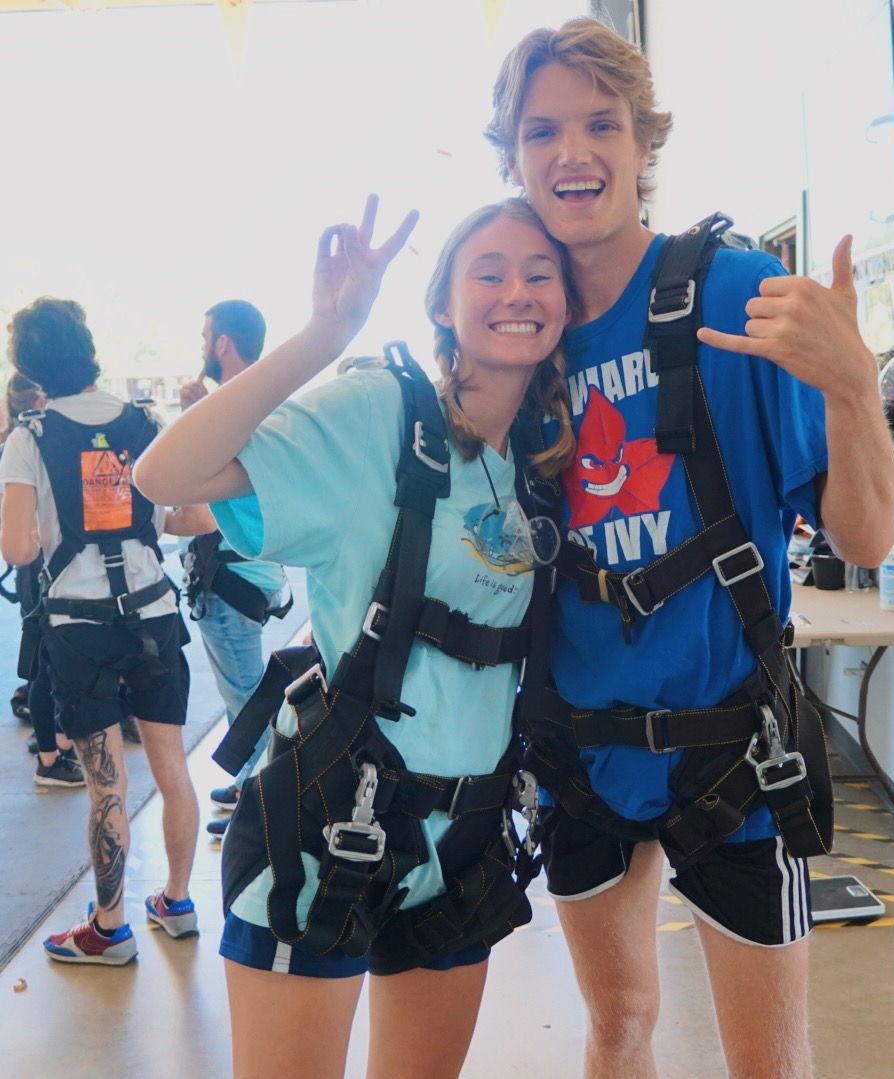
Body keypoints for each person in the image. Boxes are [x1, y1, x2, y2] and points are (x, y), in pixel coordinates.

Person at [485, 18, 894, 1078]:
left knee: (768, 1058)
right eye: (541, 130)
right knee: (618, 1021)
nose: (572, 153)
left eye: (600, 124)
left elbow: (864, 534)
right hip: (579, 750)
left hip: (737, 754)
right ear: (513, 155)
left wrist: (854, 388)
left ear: (643, 141)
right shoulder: (515, 324)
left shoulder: (733, 294)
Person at [134, 195, 576, 1079]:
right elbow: (164, 473)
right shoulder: (380, 413)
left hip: (463, 839)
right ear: (443, 303)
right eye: (488, 272)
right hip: (329, 826)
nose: (517, 292)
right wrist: (323, 335)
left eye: (540, 273)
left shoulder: (541, 455)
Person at [0, 297, 202, 965]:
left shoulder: (28, 437)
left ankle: (109, 929)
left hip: (79, 626)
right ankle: (177, 902)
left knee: (106, 786)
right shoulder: (144, 423)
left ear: (29, 366)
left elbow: (18, 548)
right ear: (88, 352)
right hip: (153, 612)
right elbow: (194, 518)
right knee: (172, 770)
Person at [174, 299, 290, 835]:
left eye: (206, 336)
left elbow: (199, 497)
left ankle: (262, 807)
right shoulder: (257, 400)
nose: (202, 346)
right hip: (247, 574)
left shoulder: (233, 409)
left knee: (246, 699)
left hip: (233, 577)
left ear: (222, 342)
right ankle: (251, 785)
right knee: (243, 693)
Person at [1, 372, 84, 785]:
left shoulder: (20, 444)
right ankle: (52, 754)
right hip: (40, 566)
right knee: (47, 663)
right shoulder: (29, 445)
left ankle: (55, 746)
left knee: (47, 662)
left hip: (38, 566)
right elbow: (20, 540)